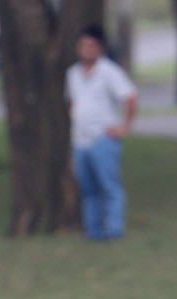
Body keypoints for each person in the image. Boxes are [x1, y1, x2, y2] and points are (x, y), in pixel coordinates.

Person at [64, 24, 137, 242]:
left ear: (100, 48)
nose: (86, 49)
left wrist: (125, 126)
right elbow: (70, 101)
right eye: (83, 45)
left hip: (103, 138)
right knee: (88, 191)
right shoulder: (73, 74)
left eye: (91, 45)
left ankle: (114, 230)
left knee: (109, 187)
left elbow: (130, 98)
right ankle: (93, 231)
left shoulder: (109, 72)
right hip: (80, 141)